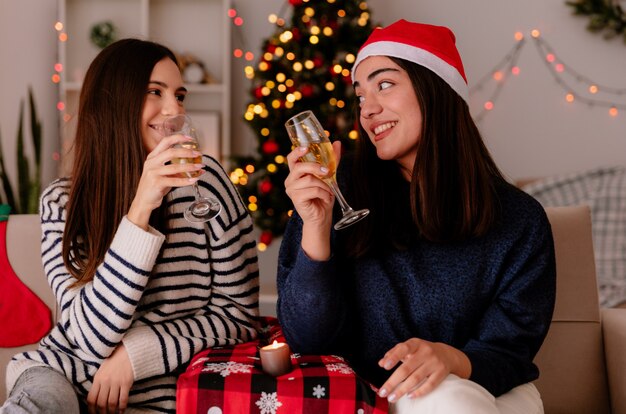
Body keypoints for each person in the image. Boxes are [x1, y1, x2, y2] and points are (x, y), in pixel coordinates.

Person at [277, 20, 556, 414]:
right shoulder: (338, 191)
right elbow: (307, 339)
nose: (368, 109)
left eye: (384, 84)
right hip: (378, 393)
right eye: (360, 96)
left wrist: (450, 359)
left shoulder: (519, 219)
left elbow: (512, 350)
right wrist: (316, 227)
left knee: (462, 400)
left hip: (491, 387)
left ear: (435, 90)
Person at [2, 38, 259, 414]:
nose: (174, 109)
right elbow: (89, 339)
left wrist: (137, 353)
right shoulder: (62, 202)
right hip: (62, 373)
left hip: (164, 389)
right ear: (113, 101)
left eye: (180, 95)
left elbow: (240, 315)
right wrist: (141, 208)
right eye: (155, 92)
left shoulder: (208, 183)